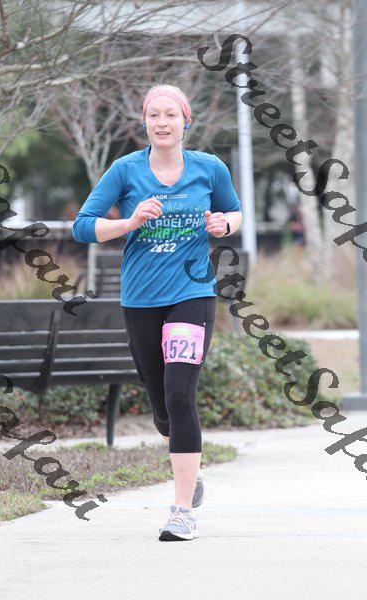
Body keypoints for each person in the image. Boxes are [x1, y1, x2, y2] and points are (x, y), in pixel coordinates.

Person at [72, 83, 243, 542]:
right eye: (154, 115)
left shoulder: (210, 168)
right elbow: (82, 227)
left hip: (192, 293)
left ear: (186, 121)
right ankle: (191, 470)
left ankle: (181, 511)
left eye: (171, 115)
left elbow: (234, 212)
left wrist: (224, 224)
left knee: (180, 393)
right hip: (141, 300)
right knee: (162, 405)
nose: (162, 122)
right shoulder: (125, 170)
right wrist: (129, 222)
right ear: (144, 122)